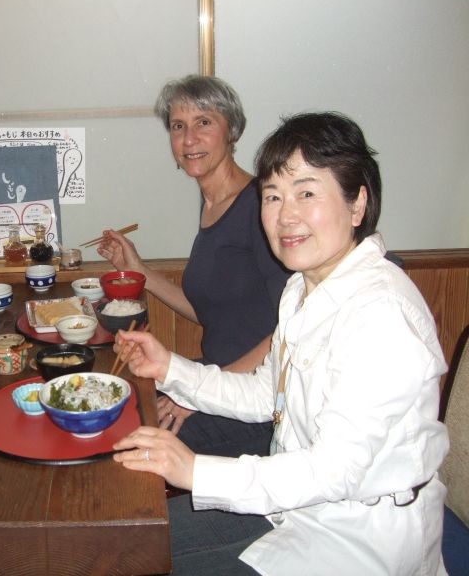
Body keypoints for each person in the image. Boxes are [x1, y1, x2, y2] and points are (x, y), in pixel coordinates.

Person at [111, 112, 449, 574]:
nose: (285, 215)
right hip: (297, 512)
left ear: (357, 205)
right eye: (272, 196)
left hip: (360, 539)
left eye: (307, 193)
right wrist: (171, 368)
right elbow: (267, 393)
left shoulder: (382, 315)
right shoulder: (303, 287)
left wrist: (193, 470)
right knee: (130, 541)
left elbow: (335, 471)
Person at [97, 75, 290, 457]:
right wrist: (140, 271)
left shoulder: (261, 207)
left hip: (257, 404)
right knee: (116, 398)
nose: (188, 140)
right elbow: (208, 312)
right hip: (215, 377)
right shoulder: (212, 205)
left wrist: (198, 397)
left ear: (231, 130)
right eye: (178, 127)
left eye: (204, 122)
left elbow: (291, 331)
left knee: (126, 445)